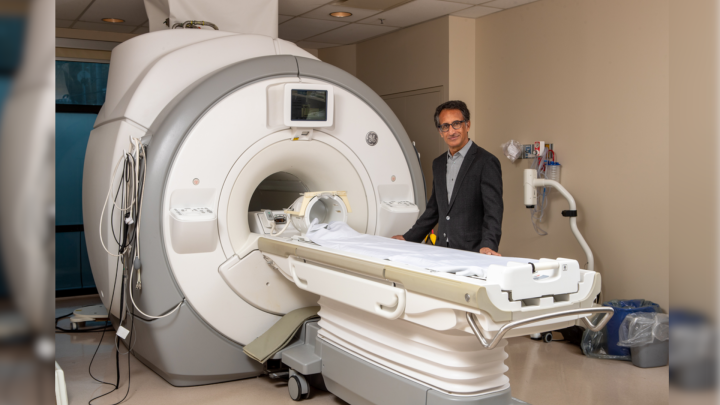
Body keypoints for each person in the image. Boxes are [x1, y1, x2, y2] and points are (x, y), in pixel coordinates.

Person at [392, 100, 503, 256]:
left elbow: (493, 211)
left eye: (456, 124)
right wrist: (408, 238)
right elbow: (433, 210)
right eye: (445, 126)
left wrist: (489, 245)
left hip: (473, 252)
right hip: (442, 250)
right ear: (440, 131)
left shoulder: (486, 162)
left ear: (467, 125)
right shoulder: (438, 164)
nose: (451, 131)